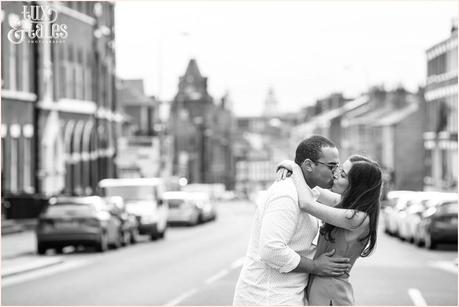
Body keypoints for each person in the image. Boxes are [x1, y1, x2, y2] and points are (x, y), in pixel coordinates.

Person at [232, 136, 352, 306]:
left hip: (285, 296)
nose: (335, 172)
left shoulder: (310, 192)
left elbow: (335, 200)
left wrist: (291, 165)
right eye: (331, 166)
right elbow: (271, 249)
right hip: (267, 298)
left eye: (338, 167)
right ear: (309, 165)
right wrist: (316, 266)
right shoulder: (286, 195)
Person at [276, 154, 382, 305]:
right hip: (322, 287)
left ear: (357, 186)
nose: (335, 174)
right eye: (338, 169)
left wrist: (294, 168)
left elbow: (307, 203)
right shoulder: (343, 204)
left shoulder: (358, 218)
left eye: (343, 175)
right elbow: (310, 187)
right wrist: (288, 164)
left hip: (331, 292)